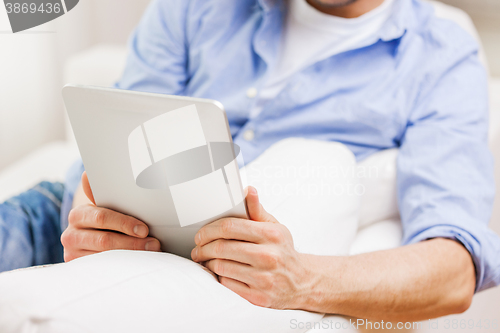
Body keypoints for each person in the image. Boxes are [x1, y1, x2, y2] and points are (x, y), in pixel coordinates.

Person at [1, 0, 499, 322]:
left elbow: (456, 268)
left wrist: (304, 279)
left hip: (205, 266)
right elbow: (117, 134)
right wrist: (91, 213)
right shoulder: (198, 8)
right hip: (64, 221)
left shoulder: (438, 55)